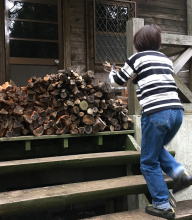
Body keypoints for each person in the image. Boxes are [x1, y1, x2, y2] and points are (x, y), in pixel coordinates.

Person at [105, 24, 192, 219]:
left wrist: (112, 73)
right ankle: (180, 174)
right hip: (176, 112)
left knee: (148, 161)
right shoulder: (165, 60)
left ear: (139, 43)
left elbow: (118, 81)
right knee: (156, 149)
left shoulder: (137, 57)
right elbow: (149, 79)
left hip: (156, 113)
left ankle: (161, 204)